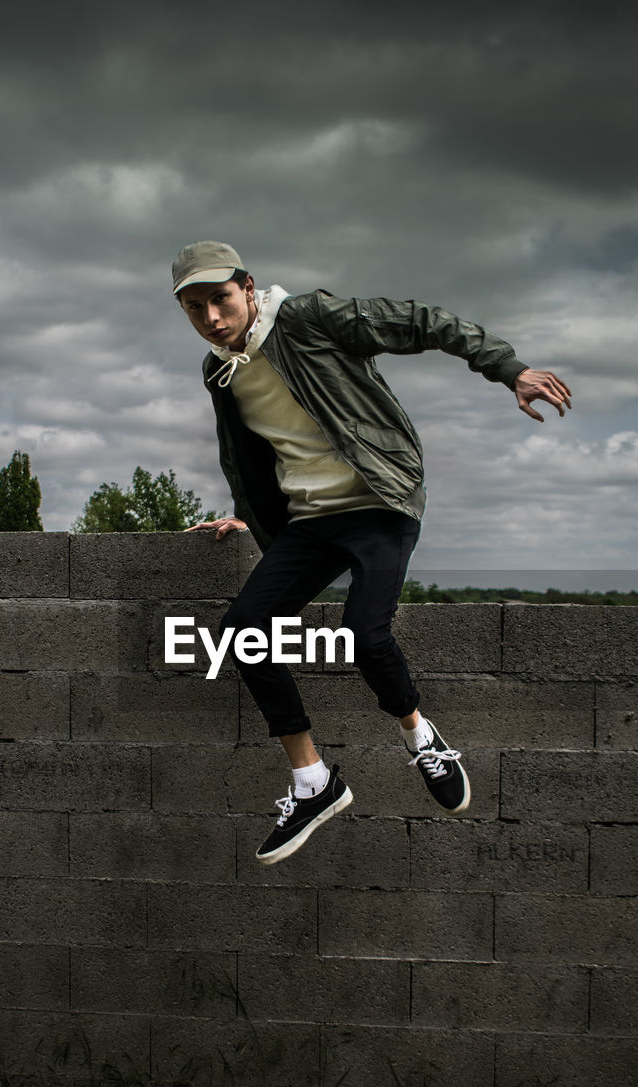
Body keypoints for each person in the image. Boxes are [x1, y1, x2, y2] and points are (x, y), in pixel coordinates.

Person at [172, 240, 571, 866]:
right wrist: (246, 513)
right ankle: (313, 783)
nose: (213, 318)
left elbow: (420, 321)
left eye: (221, 299)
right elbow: (245, 451)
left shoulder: (307, 319)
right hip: (310, 520)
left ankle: (421, 737)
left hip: (379, 499)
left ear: (248, 287)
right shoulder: (217, 368)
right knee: (242, 633)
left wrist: (508, 368)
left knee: (364, 632)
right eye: (195, 308)